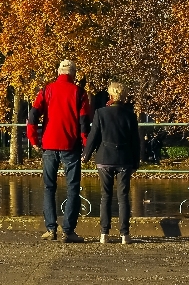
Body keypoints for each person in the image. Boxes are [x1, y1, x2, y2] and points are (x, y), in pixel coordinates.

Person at [27, 59, 92, 242]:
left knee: (49, 187)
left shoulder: (47, 90)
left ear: (58, 72)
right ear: (73, 74)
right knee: (72, 187)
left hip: (49, 144)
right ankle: (68, 231)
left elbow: (33, 114)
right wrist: (86, 145)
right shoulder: (79, 92)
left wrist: (33, 138)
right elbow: (84, 122)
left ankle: (51, 228)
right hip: (70, 145)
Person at [82, 81, 141, 244]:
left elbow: (93, 137)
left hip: (104, 158)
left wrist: (86, 155)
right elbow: (135, 141)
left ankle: (104, 233)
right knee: (123, 196)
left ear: (110, 95)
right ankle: (124, 234)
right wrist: (136, 161)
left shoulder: (101, 113)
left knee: (105, 196)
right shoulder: (130, 115)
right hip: (124, 159)